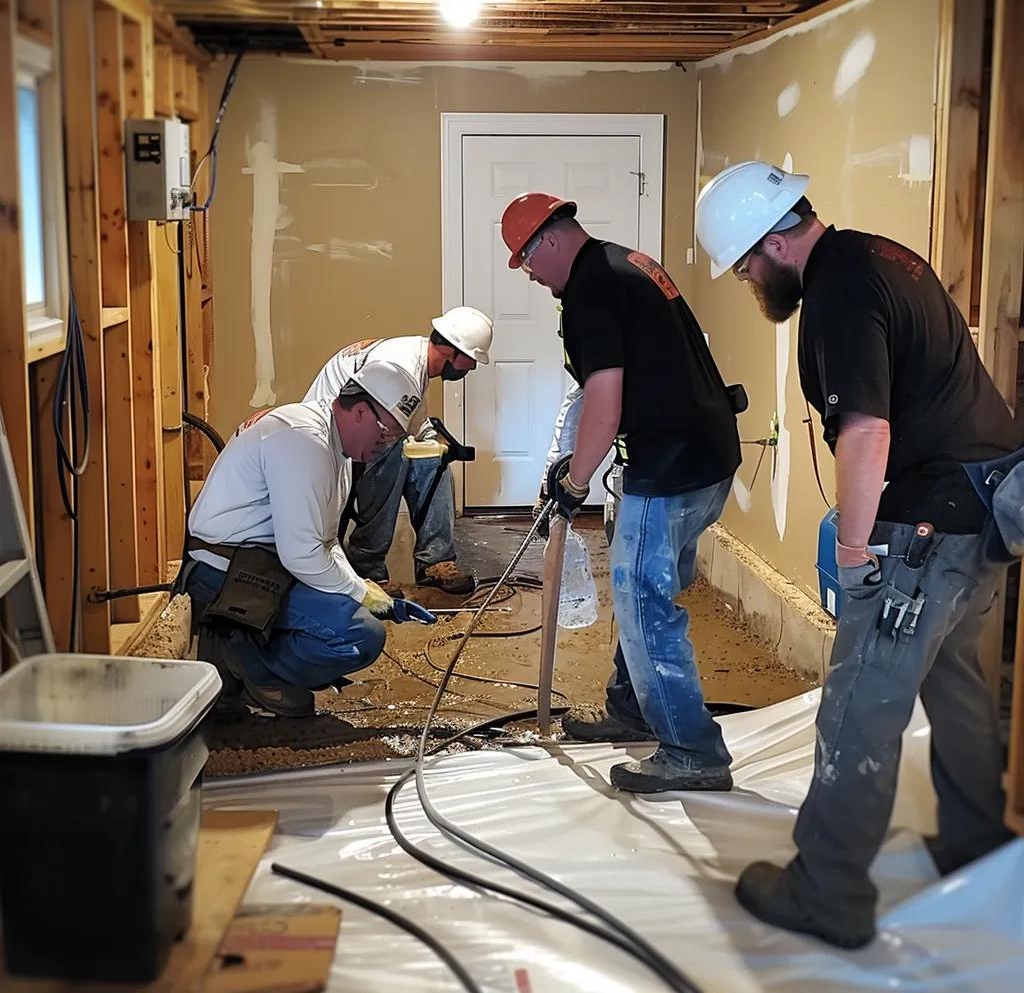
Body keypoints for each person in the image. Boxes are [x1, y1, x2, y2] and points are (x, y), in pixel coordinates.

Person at [696, 160, 1020, 948]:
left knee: (859, 701)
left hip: (926, 528)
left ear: (774, 243)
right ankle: (977, 841)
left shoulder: (838, 292)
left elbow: (867, 430)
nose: (748, 280)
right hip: (986, 510)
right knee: (957, 684)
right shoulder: (882, 255)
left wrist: (852, 548)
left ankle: (828, 891)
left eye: (744, 266)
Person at [501, 192, 743, 793]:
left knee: (643, 605)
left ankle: (692, 752)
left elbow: (605, 403)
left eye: (526, 260)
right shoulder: (627, 263)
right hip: (708, 456)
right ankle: (632, 707)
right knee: (652, 591)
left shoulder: (591, 290)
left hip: (669, 468)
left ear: (548, 240)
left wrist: (575, 482)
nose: (528, 274)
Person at [184, 361, 421, 718]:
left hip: (262, 563)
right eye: (387, 434)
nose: (386, 445)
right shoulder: (303, 439)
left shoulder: (337, 450)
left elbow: (325, 542)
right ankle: (248, 663)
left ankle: (243, 650)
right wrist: (359, 593)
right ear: (361, 411)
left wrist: (361, 587)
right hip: (223, 572)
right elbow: (302, 555)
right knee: (359, 635)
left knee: (352, 614)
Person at [306, 306, 493, 597]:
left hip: (360, 433)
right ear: (452, 351)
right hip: (333, 438)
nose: (472, 368)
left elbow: (413, 420)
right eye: (472, 359)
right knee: (392, 455)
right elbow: (375, 428)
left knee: (434, 461)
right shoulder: (400, 364)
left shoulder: (416, 363)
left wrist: (436, 444)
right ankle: (367, 569)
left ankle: (436, 561)